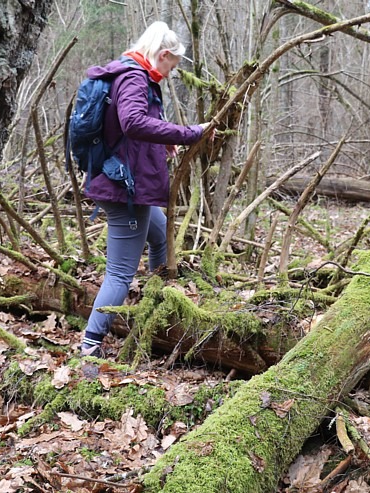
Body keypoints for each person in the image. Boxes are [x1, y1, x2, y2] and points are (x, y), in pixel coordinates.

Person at [81, 21, 210, 357]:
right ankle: (90, 346)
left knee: (160, 237)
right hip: (126, 191)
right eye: (173, 64)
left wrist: (161, 145)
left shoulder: (133, 75)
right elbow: (133, 122)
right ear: (163, 54)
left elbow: (128, 131)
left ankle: (154, 309)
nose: (170, 73)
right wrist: (186, 133)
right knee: (120, 273)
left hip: (128, 185)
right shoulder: (135, 77)